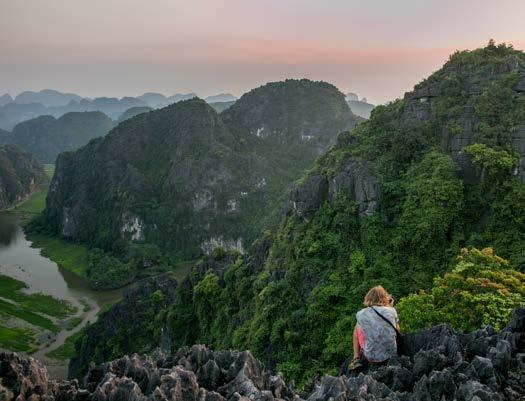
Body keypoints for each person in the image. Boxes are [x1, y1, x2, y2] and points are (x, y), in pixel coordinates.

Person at [348, 285, 400, 370]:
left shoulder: (360, 314)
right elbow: (397, 330)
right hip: (391, 353)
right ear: (385, 297)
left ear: (368, 298)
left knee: (357, 325)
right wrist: (390, 307)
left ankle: (356, 358)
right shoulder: (392, 310)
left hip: (371, 357)